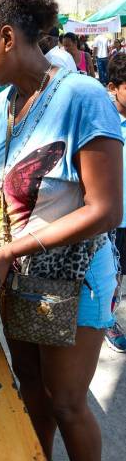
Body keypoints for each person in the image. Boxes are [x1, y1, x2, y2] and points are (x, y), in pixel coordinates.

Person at [0, 0, 122, 461]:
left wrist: (14, 248)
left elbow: (106, 209)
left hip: (73, 282)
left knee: (67, 402)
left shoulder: (83, 97)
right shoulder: (3, 105)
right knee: (30, 390)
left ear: (6, 37)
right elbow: (2, 190)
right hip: (20, 280)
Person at [105, 54, 126, 352]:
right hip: (115, 218)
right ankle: (108, 320)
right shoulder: (104, 121)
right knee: (113, 273)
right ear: (113, 87)